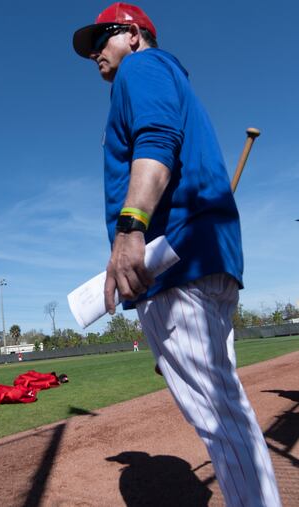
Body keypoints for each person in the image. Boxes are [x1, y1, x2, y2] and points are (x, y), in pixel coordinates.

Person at [72, 4, 280, 505]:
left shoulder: (143, 67)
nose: (96, 51)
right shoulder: (163, 76)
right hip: (202, 260)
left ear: (137, 36)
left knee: (219, 420)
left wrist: (130, 226)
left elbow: (158, 138)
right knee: (226, 414)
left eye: (105, 37)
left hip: (176, 263)